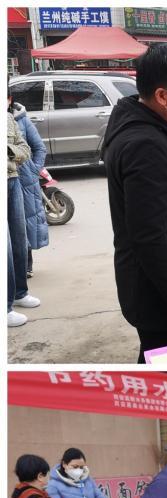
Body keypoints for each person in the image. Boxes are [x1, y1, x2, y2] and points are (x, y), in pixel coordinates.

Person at [103, 44, 167, 362]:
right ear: (162, 96)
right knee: (164, 364)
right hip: (159, 293)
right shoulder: (145, 144)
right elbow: (147, 233)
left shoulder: (144, 126)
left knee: (157, 357)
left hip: (152, 283)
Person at [11, 90, 48, 277]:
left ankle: (26, 265)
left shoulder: (21, 119)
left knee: (24, 223)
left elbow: (39, 147)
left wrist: (34, 170)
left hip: (24, 179)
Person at [7, 106, 36, 327]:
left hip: (12, 179)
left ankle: (20, 292)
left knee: (19, 240)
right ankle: (5, 307)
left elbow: (25, 149)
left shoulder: (8, 119)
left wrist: (8, 149)